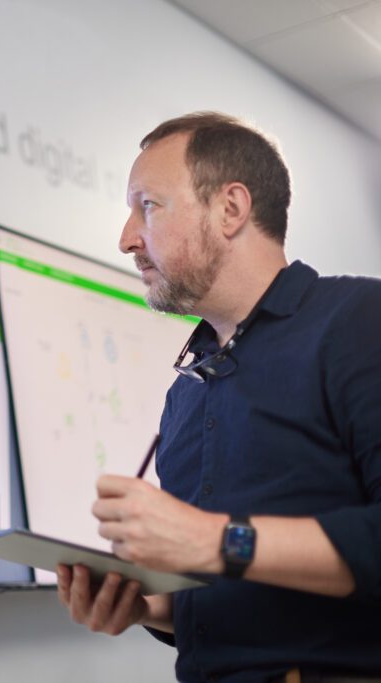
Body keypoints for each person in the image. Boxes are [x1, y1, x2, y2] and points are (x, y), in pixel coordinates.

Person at [55, 112, 381, 682]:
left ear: (230, 209)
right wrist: (146, 606)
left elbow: (221, 547)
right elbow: (223, 595)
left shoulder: (360, 321)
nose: (127, 239)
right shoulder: (187, 391)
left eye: (148, 206)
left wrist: (214, 539)